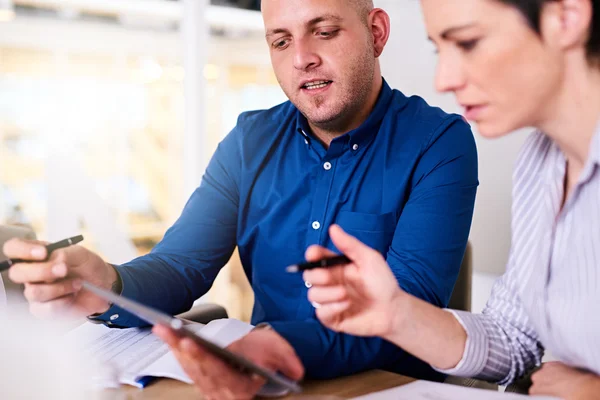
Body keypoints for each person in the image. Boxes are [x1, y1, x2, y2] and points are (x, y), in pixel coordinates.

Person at [3, 0, 478, 398]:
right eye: (281, 41)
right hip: (257, 385)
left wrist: (275, 345)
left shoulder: (440, 143)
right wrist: (106, 282)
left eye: (325, 31)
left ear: (375, 33)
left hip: (388, 388)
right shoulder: (249, 140)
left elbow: (407, 306)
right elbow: (181, 265)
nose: (301, 58)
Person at [303, 0, 600, 399]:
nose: (443, 79)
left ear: (566, 16)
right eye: (439, 48)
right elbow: (513, 340)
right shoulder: (541, 162)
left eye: (468, 42)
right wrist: (398, 314)